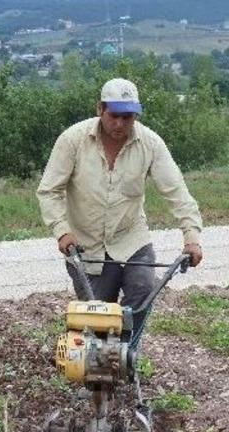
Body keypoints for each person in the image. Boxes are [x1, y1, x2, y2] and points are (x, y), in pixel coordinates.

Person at [36, 77, 203, 332]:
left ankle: (126, 355)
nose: (119, 124)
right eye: (114, 115)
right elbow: (49, 190)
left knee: (144, 292)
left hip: (131, 239)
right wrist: (62, 231)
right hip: (85, 246)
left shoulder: (150, 144)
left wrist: (192, 237)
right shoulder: (72, 140)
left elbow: (177, 192)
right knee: (98, 320)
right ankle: (101, 358)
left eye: (128, 118)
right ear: (99, 109)